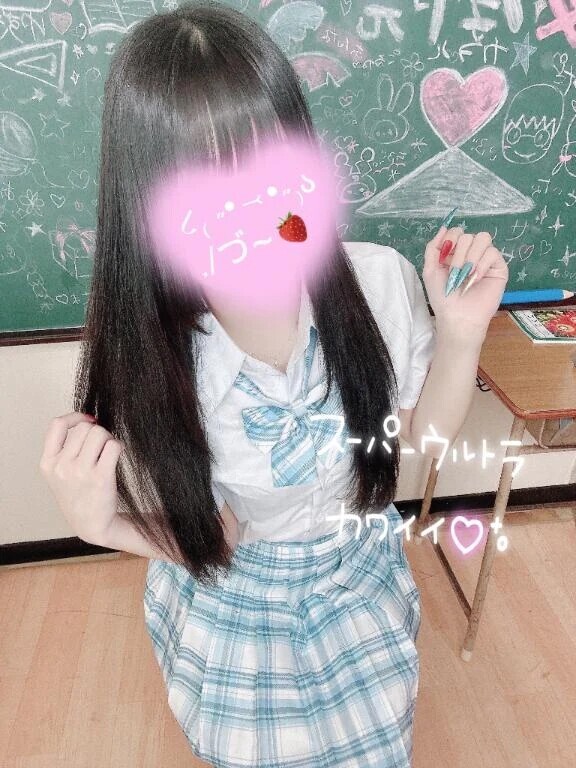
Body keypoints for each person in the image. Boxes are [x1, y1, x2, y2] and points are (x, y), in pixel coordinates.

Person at [39, 2, 508, 766]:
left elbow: (419, 438)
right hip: (239, 597)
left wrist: (461, 332)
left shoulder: (377, 281)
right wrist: (104, 525)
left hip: (359, 573)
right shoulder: (158, 352)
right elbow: (218, 537)